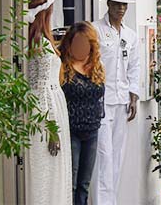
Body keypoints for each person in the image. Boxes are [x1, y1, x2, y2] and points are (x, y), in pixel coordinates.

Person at [25, 0, 73, 205]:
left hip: (38, 111)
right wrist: (52, 128)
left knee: (43, 168)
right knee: (50, 170)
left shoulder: (31, 42)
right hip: (46, 113)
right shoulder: (42, 46)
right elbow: (42, 88)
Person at [95, 0, 140, 205]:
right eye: (117, 4)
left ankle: (111, 201)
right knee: (104, 155)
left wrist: (134, 96)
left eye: (124, 5)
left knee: (117, 156)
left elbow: (134, 67)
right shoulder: (95, 30)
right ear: (108, 4)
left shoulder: (130, 36)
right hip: (101, 102)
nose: (121, 8)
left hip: (122, 101)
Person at [59, 22, 106, 205]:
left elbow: (101, 98)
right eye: (77, 43)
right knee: (70, 183)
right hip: (71, 132)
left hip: (92, 131)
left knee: (84, 184)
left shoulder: (97, 66)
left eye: (85, 43)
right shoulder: (63, 67)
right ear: (69, 44)